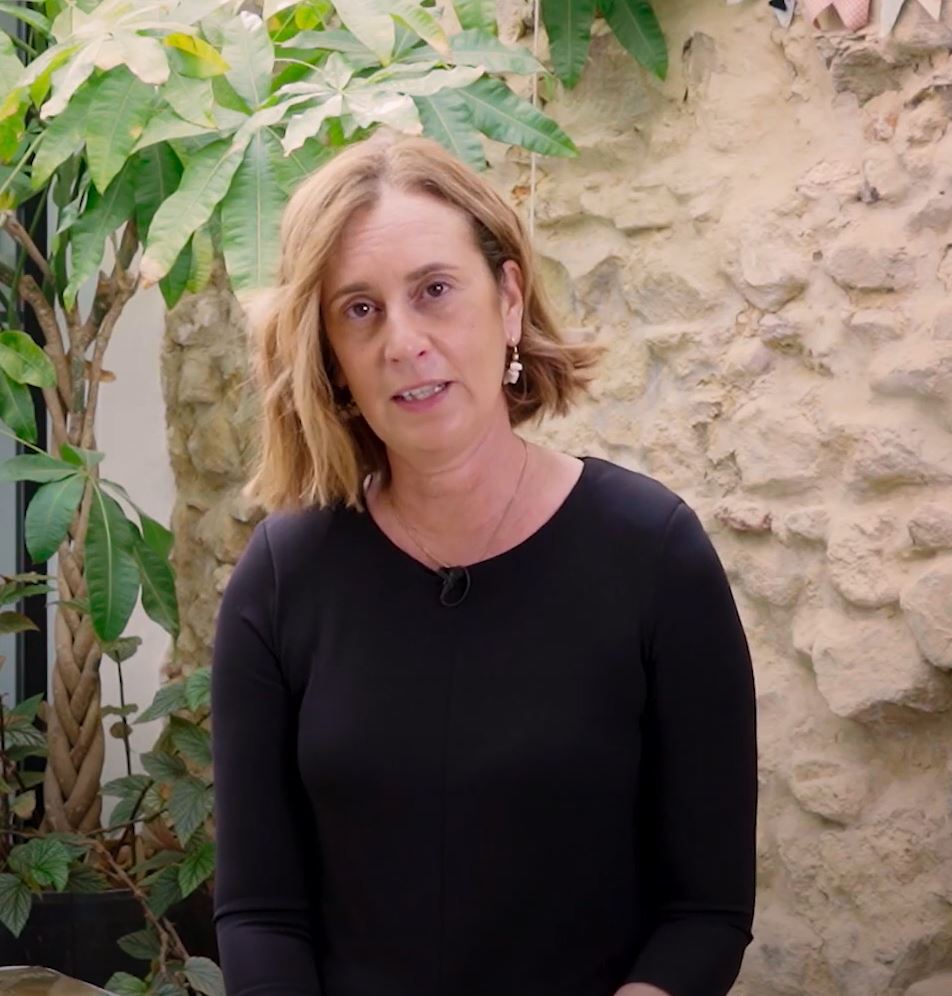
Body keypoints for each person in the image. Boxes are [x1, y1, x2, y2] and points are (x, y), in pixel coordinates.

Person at [210, 129, 758, 996]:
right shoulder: (280, 580)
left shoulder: (653, 556)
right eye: (360, 309)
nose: (402, 341)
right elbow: (259, 912)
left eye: (434, 291)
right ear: (331, 359)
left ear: (507, 299)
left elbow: (705, 912)